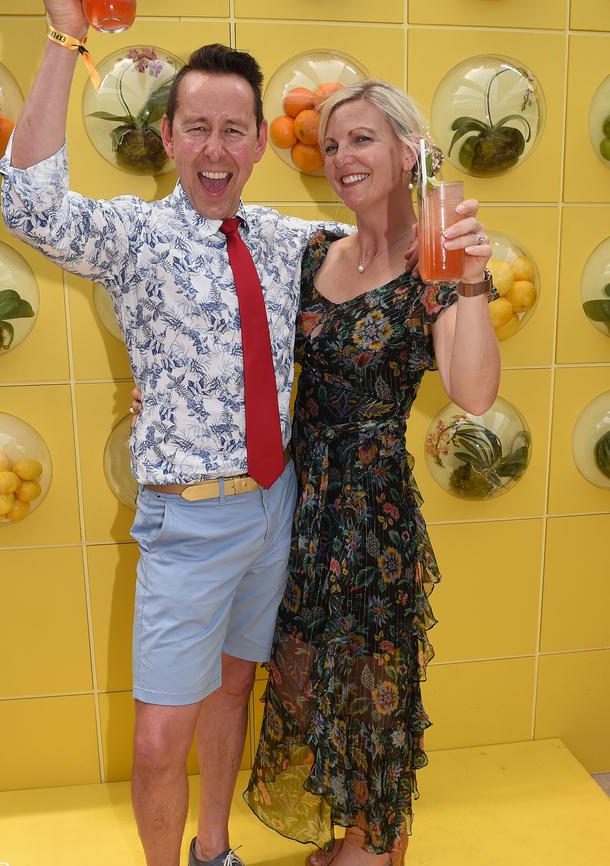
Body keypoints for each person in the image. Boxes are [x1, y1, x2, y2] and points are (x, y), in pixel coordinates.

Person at [0, 4, 358, 865]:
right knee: (161, 739)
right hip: (188, 527)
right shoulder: (133, 235)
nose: (216, 150)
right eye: (197, 127)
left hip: (276, 508)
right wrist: (64, 40)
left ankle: (215, 850)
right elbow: (29, 205)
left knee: (236, 687)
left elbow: (382, 246)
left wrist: (433, 208)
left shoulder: (290, 240)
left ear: (261, 144)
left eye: (235, 130)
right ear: (168, 135)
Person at [241, 80, 500, 866]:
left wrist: (474, 279)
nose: (343, 158)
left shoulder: (436, 264)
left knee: (373, 681)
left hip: (371, 505)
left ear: (408, 152)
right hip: (300, 496)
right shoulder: (315, 252)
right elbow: (252, 344)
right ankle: (359, 826)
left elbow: (473, 390)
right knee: (308, 673)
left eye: (362, 140)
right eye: (333, 145)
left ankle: (375, 842)